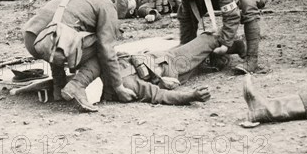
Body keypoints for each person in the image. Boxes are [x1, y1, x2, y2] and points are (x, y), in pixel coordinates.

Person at [23, 0, 139, 112]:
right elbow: (106, 49)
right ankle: (77, 85)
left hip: (33, 39)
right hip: (51, 43)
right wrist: (119, 87)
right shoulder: (107, 4)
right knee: (102, 49)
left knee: (63, 35)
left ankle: (58, 87)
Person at [163, 0, 264, 74]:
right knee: (186, 13)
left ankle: (251, 60)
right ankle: (237, 46)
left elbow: (232, 16)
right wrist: (187, 53)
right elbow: (186, 23)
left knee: (248, 6)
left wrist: (225, 45)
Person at [102, 32, 246, 105]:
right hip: (172, 64)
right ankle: (236, 46)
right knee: (208, 39)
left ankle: (216, 59)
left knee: (202, 61)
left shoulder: (110, 65)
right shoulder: (127, 83)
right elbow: (159, 95)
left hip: (166, 58)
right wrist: (191, 96)